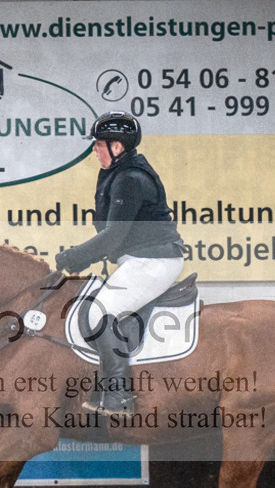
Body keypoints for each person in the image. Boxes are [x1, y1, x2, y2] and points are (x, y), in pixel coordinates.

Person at [54, 111, 185, 416]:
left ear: (118, 146)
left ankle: (118, 396)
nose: (94, 150)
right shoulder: (120, 172)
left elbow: (113, 236)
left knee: (100, 313)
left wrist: (75, 256)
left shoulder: (130, 179)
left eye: (99, 144)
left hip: (154, 261)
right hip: (141, 259)